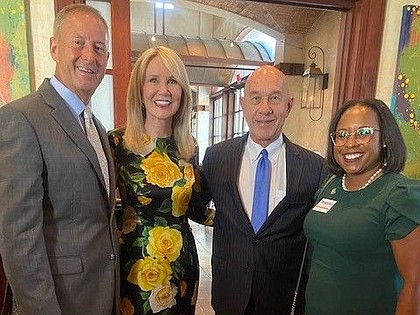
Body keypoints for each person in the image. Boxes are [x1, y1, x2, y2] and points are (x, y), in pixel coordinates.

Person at [0, 4, 119, 315]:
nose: (89, 56)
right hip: (60, 303)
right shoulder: (21, 118)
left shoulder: (97, 127)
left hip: (101, 295)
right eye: (77, 43)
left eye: (99, 47)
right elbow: (19, 241)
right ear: (54, 47)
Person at [194, 65, 327, 314]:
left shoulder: (313, 167)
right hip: (229, 293)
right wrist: (223, 221)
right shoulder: (216, 158)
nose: (265, 108)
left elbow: (317, 234)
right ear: (244, 104)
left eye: (274, 98)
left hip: (283, 298)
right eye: (256, 98)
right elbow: (195, 205)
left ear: (289, 105)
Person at [108, 46, 205, 315]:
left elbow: (196, 208)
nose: (164, 90)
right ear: (139, 90)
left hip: (183, 268)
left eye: (172, 80)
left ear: (182, 92)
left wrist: (243, 222)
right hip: (135, 269)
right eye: (154, 80)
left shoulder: (189, 147)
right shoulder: (116, 143)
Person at [303, 98, 420, 314]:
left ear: (384, 138)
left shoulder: (399, 194)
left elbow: (415, 285)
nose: (350, 143)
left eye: (364, 132)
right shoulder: (332, 183)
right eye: (342, 134)